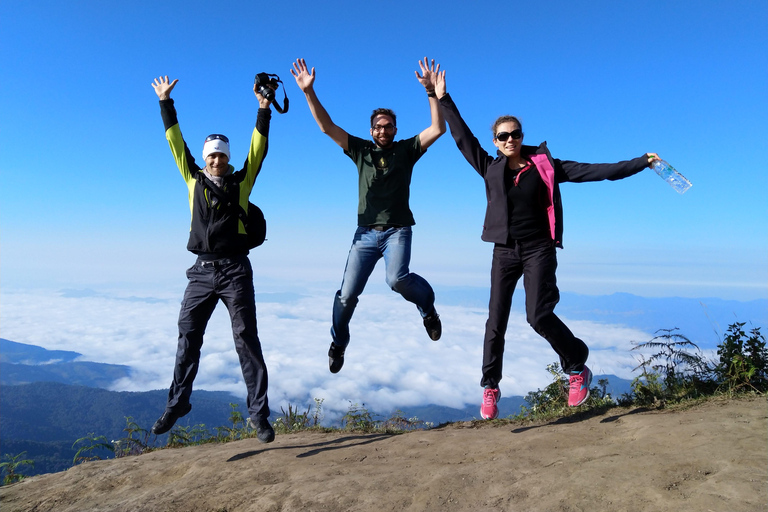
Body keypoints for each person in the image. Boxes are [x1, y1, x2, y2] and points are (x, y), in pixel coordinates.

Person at [434, 71, 661, 419]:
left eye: (515, 134)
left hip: (539, 248)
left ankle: (576, 366)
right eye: (502, 136)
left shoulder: (546, 167)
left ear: (523, 136)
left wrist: (640, 163)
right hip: (503, 251)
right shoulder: (489, 168)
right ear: (495, 141)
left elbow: (597, 171)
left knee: (537, 315)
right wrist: (442, 98)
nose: (510, 139)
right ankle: (490, 387)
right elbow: (461, 137)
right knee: (495, 319)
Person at [290, 57, 446, 374]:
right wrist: (309, 92)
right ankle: (338, 343)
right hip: (364, 235)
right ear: (371, 130)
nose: (384, 130)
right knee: (346, 296)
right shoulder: (361, 150)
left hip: (398, 231)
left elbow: (437, 128)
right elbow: (326, 127)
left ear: (395, 129)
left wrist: (431, 92)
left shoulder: (406, 150)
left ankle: (428, 309)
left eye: (389, 126)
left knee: (396, 279)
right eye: (379, 126)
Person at [149, 75, 276, 443]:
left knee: (246, 339)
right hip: (201, 271)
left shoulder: (242, 182)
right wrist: (165, 103)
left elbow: (258, 149)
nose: (216, 159)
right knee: (188, 336)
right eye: (211, 155)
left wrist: (263, 109)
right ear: (205, 159)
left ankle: (259, 415)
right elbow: (175, 142)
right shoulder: (193, 179)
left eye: (221, 154)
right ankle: (177, 404)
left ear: (228, 158)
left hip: (236, 269)